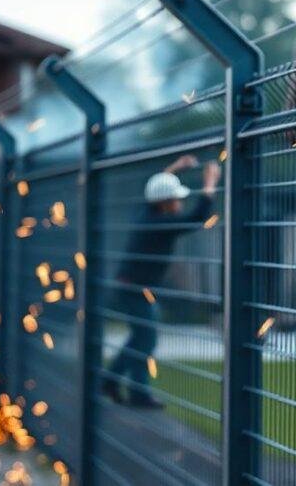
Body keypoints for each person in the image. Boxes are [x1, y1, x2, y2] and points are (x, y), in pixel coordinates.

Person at [103, 154, 220, 408]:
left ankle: (117, 383)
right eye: (176, 198)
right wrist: (209, 183)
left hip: (130, 286)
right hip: (135, 290)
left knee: (140, 338)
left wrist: (174, 168)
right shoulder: (160, 222)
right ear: (166, 203)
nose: (179, 201)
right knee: (145, 339)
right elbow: (195, 219)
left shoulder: (148, 213)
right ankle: (132, 390)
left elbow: (154, 191)